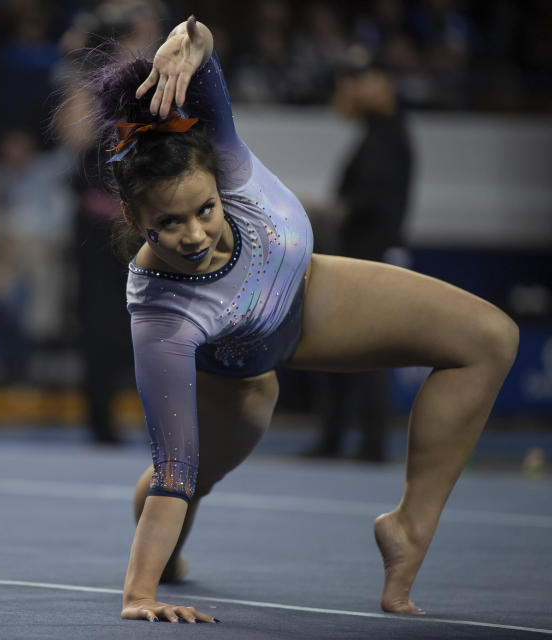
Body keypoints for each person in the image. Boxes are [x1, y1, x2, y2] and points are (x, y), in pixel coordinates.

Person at [80, 16, 518, 624]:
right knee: (188, 477)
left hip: (313, 293)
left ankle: (409, 529)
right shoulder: (161, 315)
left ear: (217, 177)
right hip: (240, 374)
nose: (196, 234)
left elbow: (203, 57)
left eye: (204, 210)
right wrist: (140, 595)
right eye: (169, 223)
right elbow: (176, 466)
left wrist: (193, 36)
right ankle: (165, 552)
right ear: (134, 217)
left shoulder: (225, 155)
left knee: (491, 338)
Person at [307, 49, 413, 462]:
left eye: (360, 78)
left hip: (369, 264)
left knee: (365, 357)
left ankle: (367, 443)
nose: (349, 88)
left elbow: (368, 204)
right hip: (360, 262)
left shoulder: (388, 137)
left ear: (383, 84)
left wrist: (327, 212)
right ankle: (340, 439)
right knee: (342, 354)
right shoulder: (377, 134)